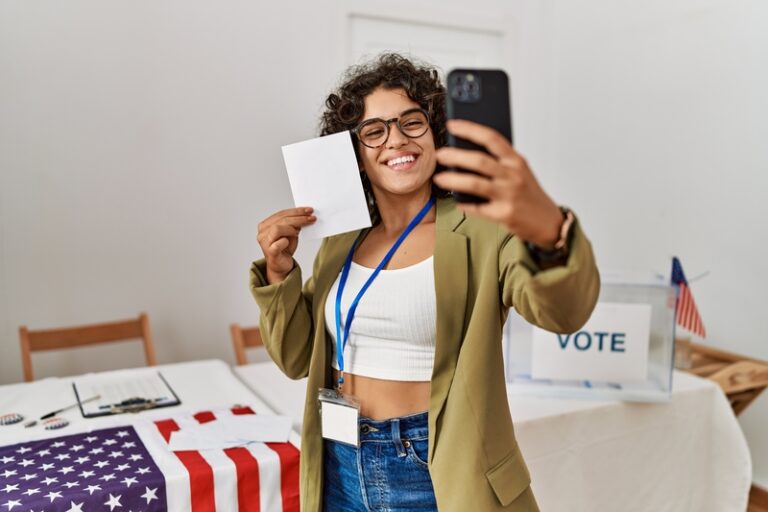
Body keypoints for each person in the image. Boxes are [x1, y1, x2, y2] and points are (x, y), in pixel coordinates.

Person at [251, 53, 600, 512]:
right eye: (374, 130)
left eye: (411, 122)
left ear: (436, 132)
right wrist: (279, 273)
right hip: (339, 457)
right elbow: (298, 359)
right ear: (355, 153)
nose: (396, 139)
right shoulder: (342, 241)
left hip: (433, 463)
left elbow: (563, 313)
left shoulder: (483, 227)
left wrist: (550, 233)